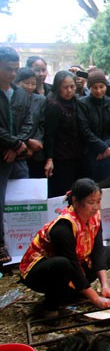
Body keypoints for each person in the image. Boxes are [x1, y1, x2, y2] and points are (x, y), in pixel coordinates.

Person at [19, 178, 110, 317]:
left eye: (98, 201)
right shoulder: (64, 226)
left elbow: (97, 251)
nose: (96, 207)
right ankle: (51, 308)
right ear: (75, 201)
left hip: (74, 264)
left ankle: (74, 291)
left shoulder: (94, 218)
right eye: (91, 202)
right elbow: (71, 263)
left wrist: (105, 286)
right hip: (39, 270)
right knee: (62, 264)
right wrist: (95, 298)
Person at [0, 47, 32, 264]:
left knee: (26, 198)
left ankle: (28, 242)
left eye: (15, 69)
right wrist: (13, 143)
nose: (12, 74)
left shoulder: (21, 93)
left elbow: (29, 121)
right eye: (8, 69)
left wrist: (18, 144)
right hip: (2, 155)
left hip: (19, 156)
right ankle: (1, 244)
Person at [44, 71, 85, 197]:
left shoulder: (77, 102)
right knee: (63, 193)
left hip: (77, 155)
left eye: (72, 87)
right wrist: (49, 159)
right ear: (58, 87)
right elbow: (49, 134)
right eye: (65, 87)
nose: (69, 90)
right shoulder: (53, 105)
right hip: (61, 157)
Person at [77, 70, 110, 182]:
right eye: (94, 87)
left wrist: (107, 147)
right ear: (89, 87)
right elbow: (84, 130)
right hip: (90, 153)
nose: (98, 90)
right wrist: (103, 147)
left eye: (101, 86)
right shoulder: (82, 104)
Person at [15, 67, 45, 178]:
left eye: (33, 84)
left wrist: (35, 143)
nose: (30, 87)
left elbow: (41, 124)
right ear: (17, 82)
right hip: (16, 148)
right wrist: (25, 143)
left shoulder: (40, 100)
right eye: (26, 83)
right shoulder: (11, 99)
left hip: (36, 151)